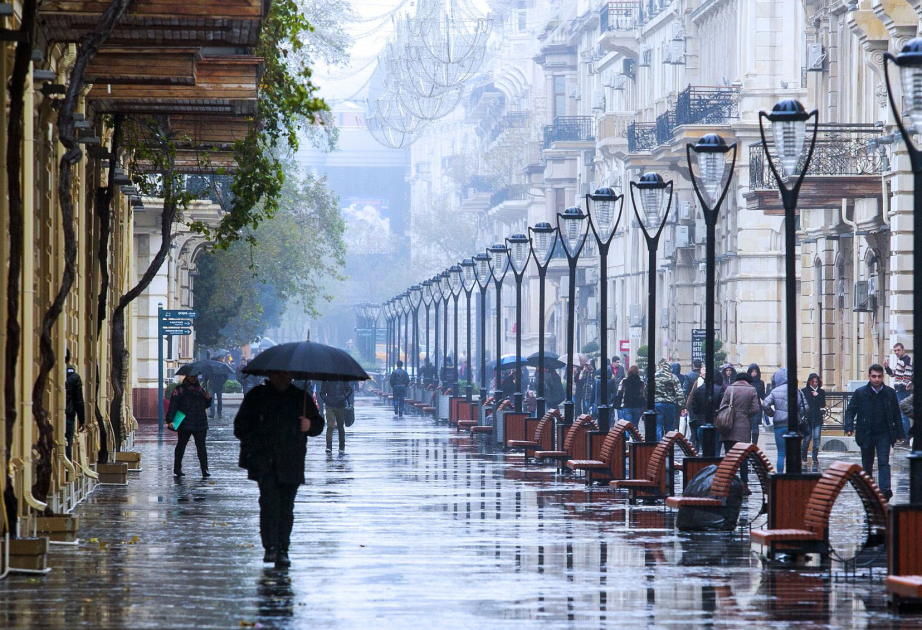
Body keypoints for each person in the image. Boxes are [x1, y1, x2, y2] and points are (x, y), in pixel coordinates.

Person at [233, 371, 324, 567]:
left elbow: (318, 424)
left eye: (285, 375)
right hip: (264, 461)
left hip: (292, 461)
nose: (281, 378)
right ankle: (271, 547)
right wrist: (257, 435)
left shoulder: (301, 398)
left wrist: (309, 425)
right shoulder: (257, 396)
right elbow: (240, 427)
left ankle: (283, 549)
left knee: (286, 507)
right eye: (277, 374)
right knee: (269, 504)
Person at [844, 364, 904, 500]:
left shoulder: (890, 393)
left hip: (884, 433)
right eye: (874, 376)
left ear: (883, 377)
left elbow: (896, 414)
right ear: (869, 377)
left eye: (879, 376)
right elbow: (850, 411)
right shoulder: (860, 393)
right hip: (866, 432)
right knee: (867, 463)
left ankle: (884, 490)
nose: (876, 379)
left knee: (883, 461)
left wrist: (900, 434)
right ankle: (868, 490)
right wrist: (849, 427)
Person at [718, 373, 761, 487]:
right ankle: (744, 483)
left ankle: (728, 482)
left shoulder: (730, 389)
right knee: (743, 456)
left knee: (729, 456)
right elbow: (755, 408)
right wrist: (745, 413)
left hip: (728, 426)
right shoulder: (752, 390)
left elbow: (722, 406)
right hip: (743, 426)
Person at [165, 374, 212, 478]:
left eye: (195, 376)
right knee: (181, 445)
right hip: (185, 422)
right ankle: (177, 468)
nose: (194, 378)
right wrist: (169, 420)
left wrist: (208, 399)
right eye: (192, 376)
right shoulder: (179, 390)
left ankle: (205, 469)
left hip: (200, 422)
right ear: (187, 377)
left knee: (201, 447)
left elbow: (205, 405)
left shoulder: (201, 390)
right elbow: (173, 405)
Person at [761, 369, 799, 473]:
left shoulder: (775, 391)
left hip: (779, 425)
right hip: (792, 425)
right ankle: (792, 474)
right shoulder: (795, 390)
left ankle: (780, 474)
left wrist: (772, 414)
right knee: (792, 453)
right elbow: (806, 407)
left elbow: (765, 404)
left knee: (781, 453)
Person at [885, 342, 913, 445]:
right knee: (900, 415)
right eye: (895, 351)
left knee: (903, 415)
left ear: (903, 350)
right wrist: (887, 368)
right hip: (899, 390)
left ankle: (905, 438)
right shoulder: (900, 361)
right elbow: (894, 374)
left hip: (903, 391)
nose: (897, 352)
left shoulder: (907, 360)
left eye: (898, 350)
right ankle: (903, 437)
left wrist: (900, 386)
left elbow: (907, 376)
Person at [689, 366, 722, 448]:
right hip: (716, 423)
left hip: (701, 423)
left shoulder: (697, 390)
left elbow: (695, 409)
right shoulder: (720, 390)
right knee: (716, 450)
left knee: (704, 450)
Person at [653, 359, 685, 440]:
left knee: (658, 426)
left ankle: (659, 444)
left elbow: (647, 390)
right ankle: (668, 444)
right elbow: (679, 392)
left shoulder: (654, 376)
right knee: (669, 427)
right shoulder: (672, 377)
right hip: (670, 403)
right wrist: (682, 406)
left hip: (657, 403)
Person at [320, 380, 354, 452]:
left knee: (340, 426)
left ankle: (341, 446)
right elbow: (322, 393)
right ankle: (329, 446)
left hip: (340, 405)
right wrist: (327, 399)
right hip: (330, 405)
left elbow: (350, 389)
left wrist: (343, 397)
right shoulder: (326, 379)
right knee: (330, 425)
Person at [64, 349, 86, 461]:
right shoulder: (74, 377)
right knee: (67, 446)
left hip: (53, 418)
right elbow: (79, 401)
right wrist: (82, 420)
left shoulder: (53, 374)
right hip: (69, 417)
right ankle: (67, 471)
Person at [800, 373, 826, 466]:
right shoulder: (804, 391)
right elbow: (802, 404)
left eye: (816, 382)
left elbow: (823, 404)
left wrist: (817, 395)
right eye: (813, 382)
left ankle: (815, 456)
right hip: (808, 418)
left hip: (817, 418)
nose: (815, 384)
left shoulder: (821, 392)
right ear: (809, 382)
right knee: (807, 438)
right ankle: (803, 455)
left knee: (816, 437)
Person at [747, 364, 766, 445]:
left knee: (755, 426)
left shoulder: (761, 383)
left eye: (755, 371)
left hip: (757, 406)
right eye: (752, 371)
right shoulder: (747, 382)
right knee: (747, 427)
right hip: (747, 406)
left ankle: (754, 444)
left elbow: (763, 395)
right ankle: (747, 444)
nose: (754, 373)